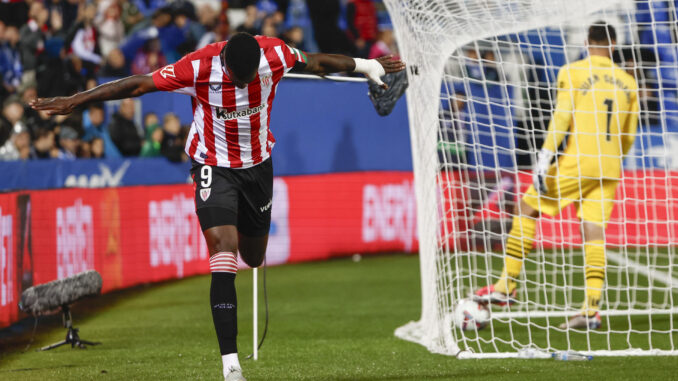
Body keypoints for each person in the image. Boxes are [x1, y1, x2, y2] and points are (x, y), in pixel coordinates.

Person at [31, 32, 405, 381]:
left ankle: (242, 232)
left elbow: (319, 63)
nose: (244, 86)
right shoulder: (197, 67)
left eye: (248, 80)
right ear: (225, 61)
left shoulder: (274, 54)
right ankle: (231, 365)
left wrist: (366, 65)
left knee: (254, 257)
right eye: (238, 80)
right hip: (213, 166)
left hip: (258, 166)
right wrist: (75, 101)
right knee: (223, 251)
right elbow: (138, 84)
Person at [474, 22, 639, 330]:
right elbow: (629, 136)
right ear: (613, 45)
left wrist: (545, 156)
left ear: (588, 42)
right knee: (594, 232)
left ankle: (506, 285)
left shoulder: (573, 71)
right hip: (610, 166)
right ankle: (590, 309)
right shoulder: (628, 82)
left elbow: (562, 115)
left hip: (578, 162)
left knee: (525, 208)